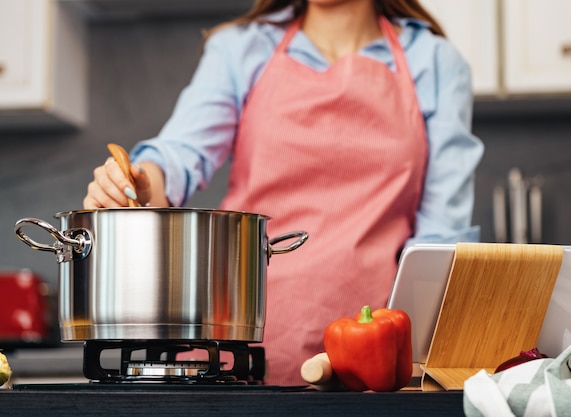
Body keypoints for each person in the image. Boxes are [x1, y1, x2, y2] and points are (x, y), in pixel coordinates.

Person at [84, 0, 484, 386]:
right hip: (233, 350)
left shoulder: (435, 63)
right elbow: (182, 152)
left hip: (369, 361)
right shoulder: (242, 48)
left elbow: (440, 239)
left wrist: (410, 357)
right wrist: (139, 183)